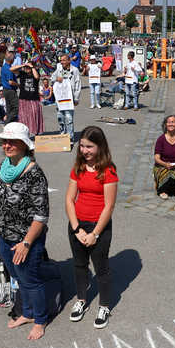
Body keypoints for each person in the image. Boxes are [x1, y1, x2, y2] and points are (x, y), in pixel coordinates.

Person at [0, 122, 59, 340]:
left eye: (13, 142)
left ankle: (40, 319)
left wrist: (26, 243)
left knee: (30, 280)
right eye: (5, 141)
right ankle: (27, 313)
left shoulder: (35, 174)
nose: (7, 145)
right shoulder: (1, 167)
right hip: (5, 235)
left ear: (25, 145)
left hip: (27, 238)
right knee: (17, 277)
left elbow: (41, 215)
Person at [65, 126, 118, 329]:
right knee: (79, 265)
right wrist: (77, 229)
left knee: (101, 268)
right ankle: (81, 300)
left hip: (99, 227)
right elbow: (69, 200)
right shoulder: (78, 168)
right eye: (82, 146)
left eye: (89, 147)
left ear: (100, 146)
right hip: (77, 225)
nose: (84, 151)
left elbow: (109, 206)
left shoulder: (108, 170)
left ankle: (104, 306)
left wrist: (94, 234)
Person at [50, 54, 81, 140]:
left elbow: (78, 84)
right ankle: (62, 136)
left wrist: (76, 98)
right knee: (60, 118)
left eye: (63, 60)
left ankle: (70, 138)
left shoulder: (75, 70)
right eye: (61, 60)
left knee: (69, 119)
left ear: (69, 61)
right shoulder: (59, 69)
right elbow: (51, 78)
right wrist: (57, 79)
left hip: (69, 99)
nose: (62, 62)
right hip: (60, 99)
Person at [17, 61, 44, 134]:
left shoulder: (35, 73)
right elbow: (11, 69)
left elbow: (37, 77)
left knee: (34, 116)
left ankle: (36, 132)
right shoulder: (22, 73)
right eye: (27, 67)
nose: (27, 68)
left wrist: (32, 67)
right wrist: (23, 65)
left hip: (34, 99)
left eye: (29, 68)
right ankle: (24, 133)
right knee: (23, 117)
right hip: (23, 99)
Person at [0, 50, 20, 124]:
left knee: (9, 108)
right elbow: (10, 82)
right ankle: (7, 121)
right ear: (11, 60)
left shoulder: (4, 66)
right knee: (16, 107)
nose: (14, 60)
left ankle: (9, 124)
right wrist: (18, 85)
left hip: (5, 89)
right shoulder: (9, 68)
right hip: (10, 90)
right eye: (13, 58)